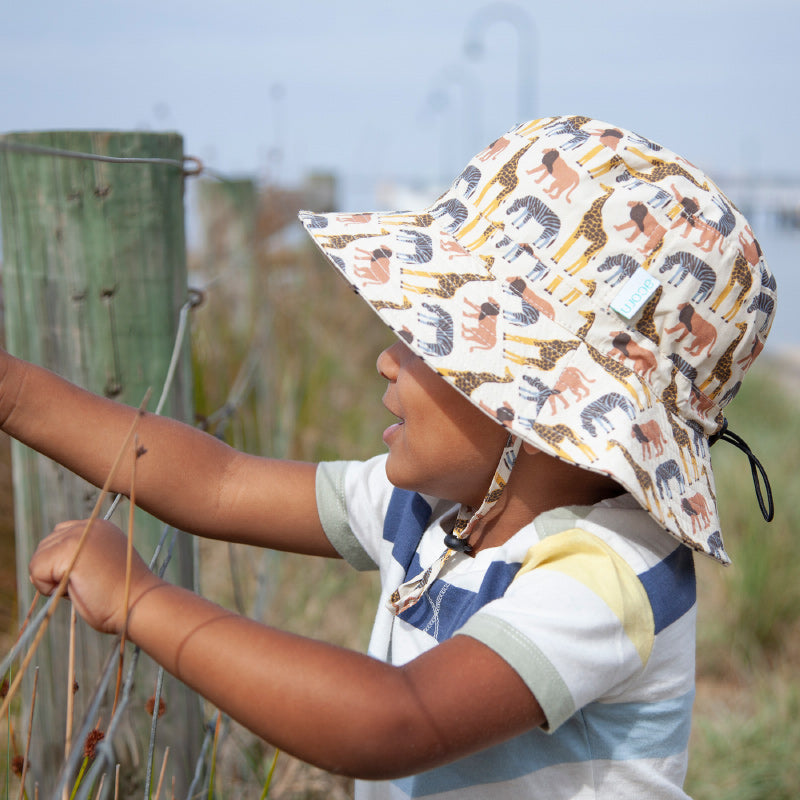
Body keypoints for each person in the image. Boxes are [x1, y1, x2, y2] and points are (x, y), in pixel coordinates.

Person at [11, 115, 776, 798]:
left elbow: (389, 724)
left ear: (532, 404)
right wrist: (12, 394)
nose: (385, 359)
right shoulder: (444, 507)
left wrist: (141, 600)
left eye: (429, 339)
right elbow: (219, 483)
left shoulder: (604, 578)